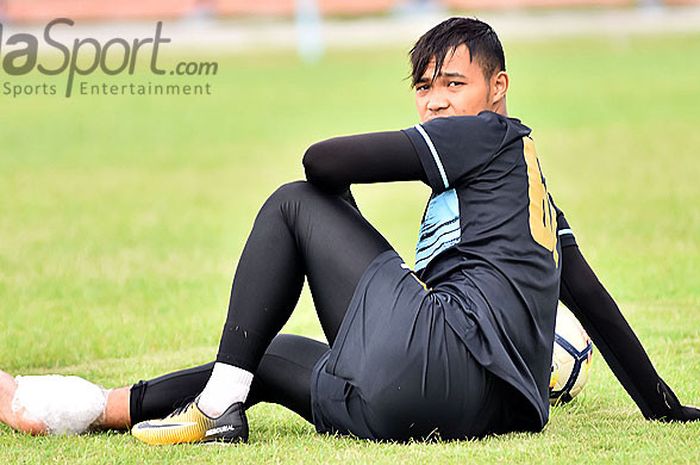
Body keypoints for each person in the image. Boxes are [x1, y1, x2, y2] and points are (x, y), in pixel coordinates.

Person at [0, 17, 697, 444]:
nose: (436, 100)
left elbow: (319, 162)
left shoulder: (487, 135)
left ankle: (215, 409)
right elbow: (596, 304)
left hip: (437, 362)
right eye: (424, 87)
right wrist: (664, 409)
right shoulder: (530, 194)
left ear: (499, 88)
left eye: (454, 82)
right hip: (464, 411)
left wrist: (330, 220)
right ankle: (84, 407)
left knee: (291, 201)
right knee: (262, 360)